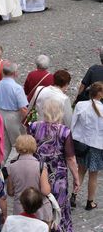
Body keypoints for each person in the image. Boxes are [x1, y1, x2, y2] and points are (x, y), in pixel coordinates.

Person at [28, 99, 80, 232]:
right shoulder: (64, 131)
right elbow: (70, 158)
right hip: (58, 175)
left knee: (37, 204)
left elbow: (28, 149)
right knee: (59, 207)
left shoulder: (33, 127)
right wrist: (76, 177)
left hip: (37, 172)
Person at [6, 135, 53, 224]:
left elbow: (10, 192)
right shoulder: (41, 166)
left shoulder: (11, 167)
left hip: (20, 210)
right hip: (40, 210)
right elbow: (45, 191)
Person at [71, 82, 103, 211]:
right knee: (93, 175)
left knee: (80, 171)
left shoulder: (80, 105)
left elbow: (73, 124)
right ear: (100, 94)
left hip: (82, 143)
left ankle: (73, 195)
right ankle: (90, 202)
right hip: (97, 146)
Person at [0, 62, 29, 161]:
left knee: (4, 144)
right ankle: (9, 167)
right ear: (15, 73)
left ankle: (1, 165)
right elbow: (23, 108)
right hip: (13, 116)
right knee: (17, 144)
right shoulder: (17, 88)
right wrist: (29, 122)